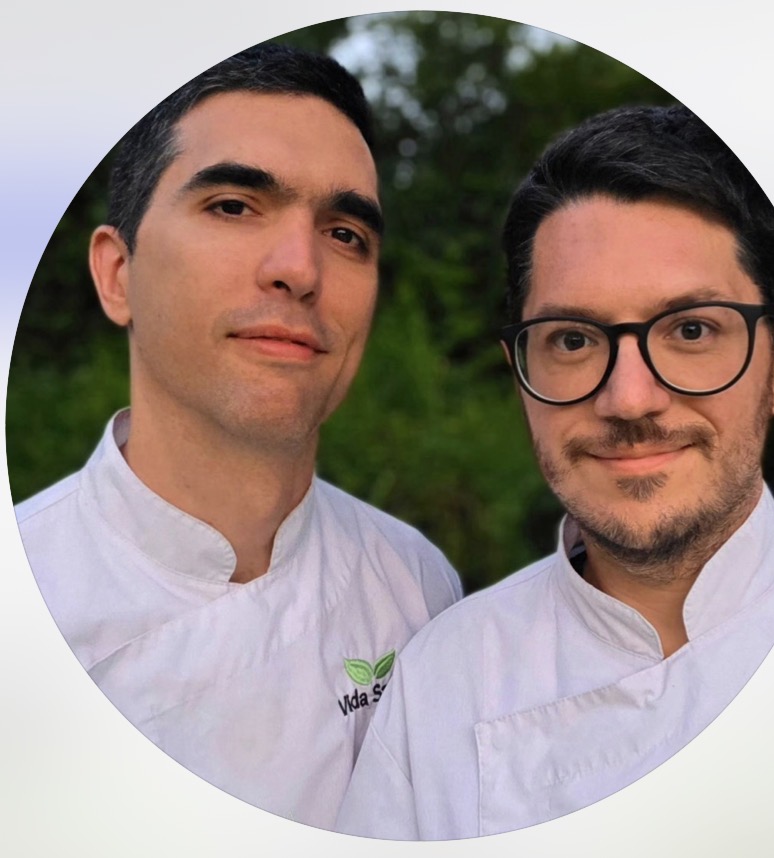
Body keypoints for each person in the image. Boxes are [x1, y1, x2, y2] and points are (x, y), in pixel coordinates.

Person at [335, 104, 774, 839]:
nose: (629, 399)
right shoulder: (442, 681)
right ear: (520, 375)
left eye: (691, 330)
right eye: (571, 340)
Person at [14, 42, 461, 831]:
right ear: (117, 274)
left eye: (346, 234)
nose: (300, 269)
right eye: (232, 206)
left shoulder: (418, 586)